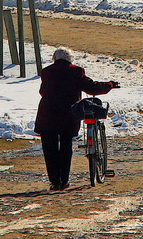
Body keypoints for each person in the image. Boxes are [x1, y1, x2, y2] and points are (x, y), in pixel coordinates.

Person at [34, 47, 117, 191]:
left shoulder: (46, 71)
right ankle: (64, 180)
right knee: (66, 148)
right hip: (68, 114)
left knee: (50, 149)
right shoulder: (76, 71)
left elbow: (42, 91)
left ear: (54, 58)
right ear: (70, 59)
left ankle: (55, 182)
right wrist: (109, 85)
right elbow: (92, 88)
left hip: (47, 114)